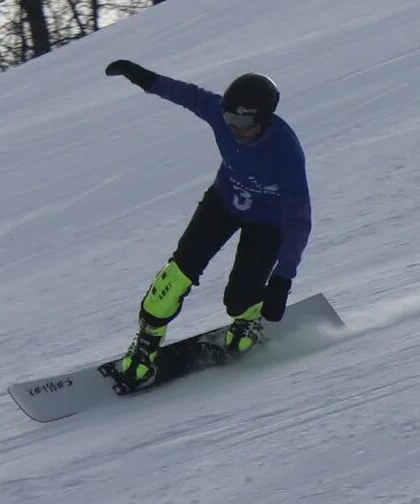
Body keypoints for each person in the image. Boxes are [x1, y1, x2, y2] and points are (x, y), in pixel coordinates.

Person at [100, 60, 313, 392]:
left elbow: (299, 222)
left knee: (238, 299)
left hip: (268, 223)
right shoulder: (220, 114)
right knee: (178, 272)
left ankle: (248, 319)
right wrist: (143, 77)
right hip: (223, 203)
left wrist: (282, 280)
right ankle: (146, 343)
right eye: (229, 119)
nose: (234, 128)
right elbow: (185, 94)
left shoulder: (286, 152)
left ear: (264, 118)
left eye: (243, 121)